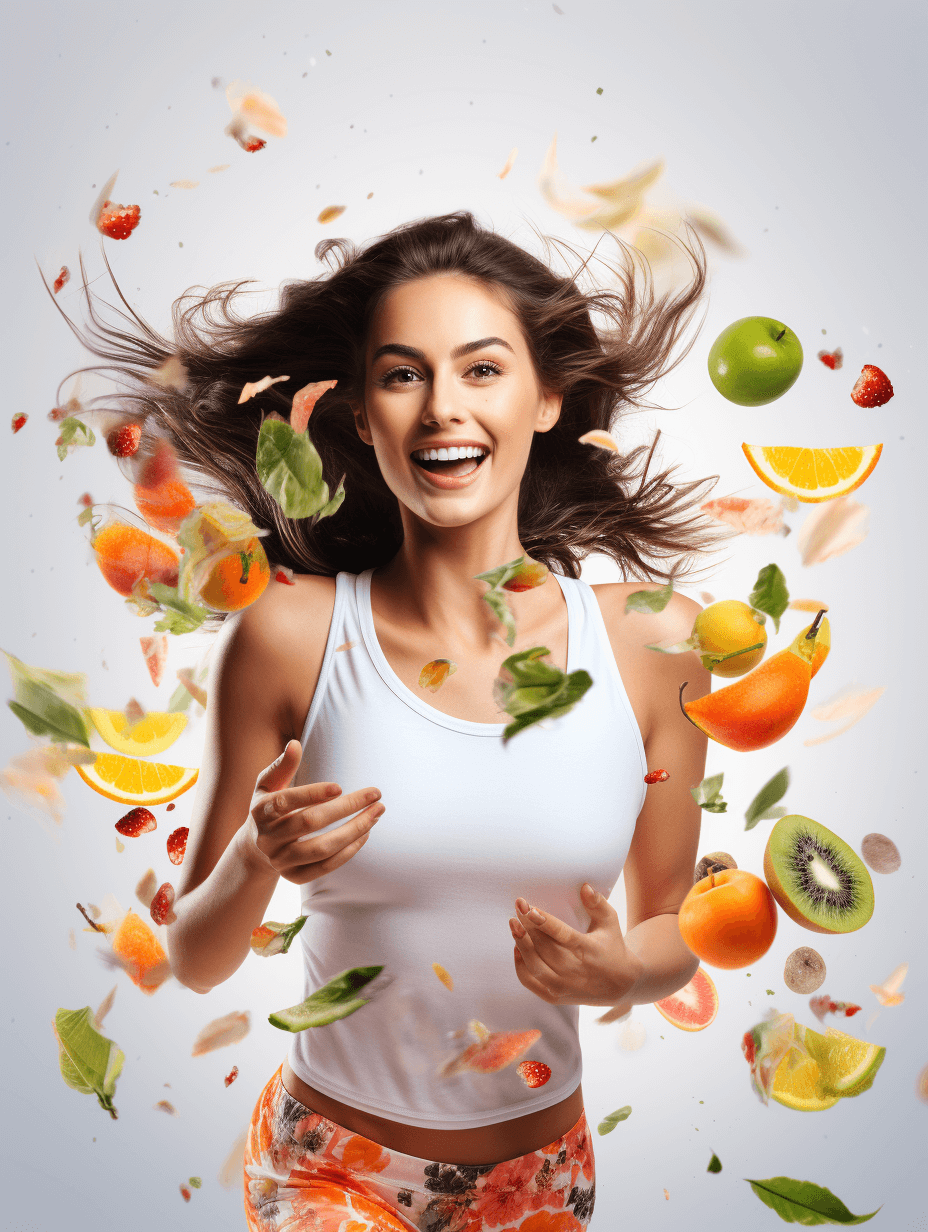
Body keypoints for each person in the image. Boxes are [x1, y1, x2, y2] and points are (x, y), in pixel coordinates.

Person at [62, 212, 720, 1231]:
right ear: (362, 413)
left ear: (546, 398)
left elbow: (674, 924)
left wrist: (628, 966)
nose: (441, 409)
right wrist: (252, 859)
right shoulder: (290, 632)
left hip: (542, 1173)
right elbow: (192, 956)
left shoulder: (655, 642)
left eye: (482, 369)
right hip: (330, 1169)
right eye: (403, 375)